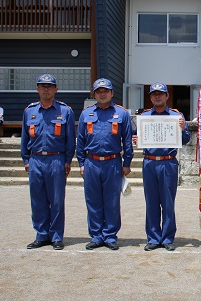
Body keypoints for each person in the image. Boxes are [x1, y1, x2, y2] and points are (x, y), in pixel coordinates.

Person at [77, 78, 134, 251]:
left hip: (113, 163)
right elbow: (80, 140)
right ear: (94, 94)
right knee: (93, 201)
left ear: (111, 93)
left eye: (105, 91)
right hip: (91, 162)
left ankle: (110, 235)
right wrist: (81, 163)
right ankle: (96, 235)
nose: (102, 94)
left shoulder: (121, 113)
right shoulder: (86, 114)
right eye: (99, 91)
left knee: (111, 201)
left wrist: (127, 163)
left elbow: (127, 141)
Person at [21, 74, 76, 250]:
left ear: (55, 89)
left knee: (57, 200)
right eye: (42, 86)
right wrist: (26, 159)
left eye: (49, 86)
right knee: (37, 199)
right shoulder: (29, 111)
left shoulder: (65, 111)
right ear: (37, 89)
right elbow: (24, 138)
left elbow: (70, 140)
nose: (46, 89)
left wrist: (67, 160)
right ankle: (41, 234)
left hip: (56, 159)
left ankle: (57, 236)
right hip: (36, 158)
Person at [134, 82, 191, 251]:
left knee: (167, 202)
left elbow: (186, 140)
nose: (157, 97)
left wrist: (182, 130)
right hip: (150, 162)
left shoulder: (176, 116)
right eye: (154, 94)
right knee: (151, 201)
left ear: (167, 96)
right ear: (150, 97)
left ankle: (167, 238)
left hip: (168, 162)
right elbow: (138, 137)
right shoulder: (144, 117)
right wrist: (136, 140)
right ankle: (153, 237)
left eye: (161, 94)